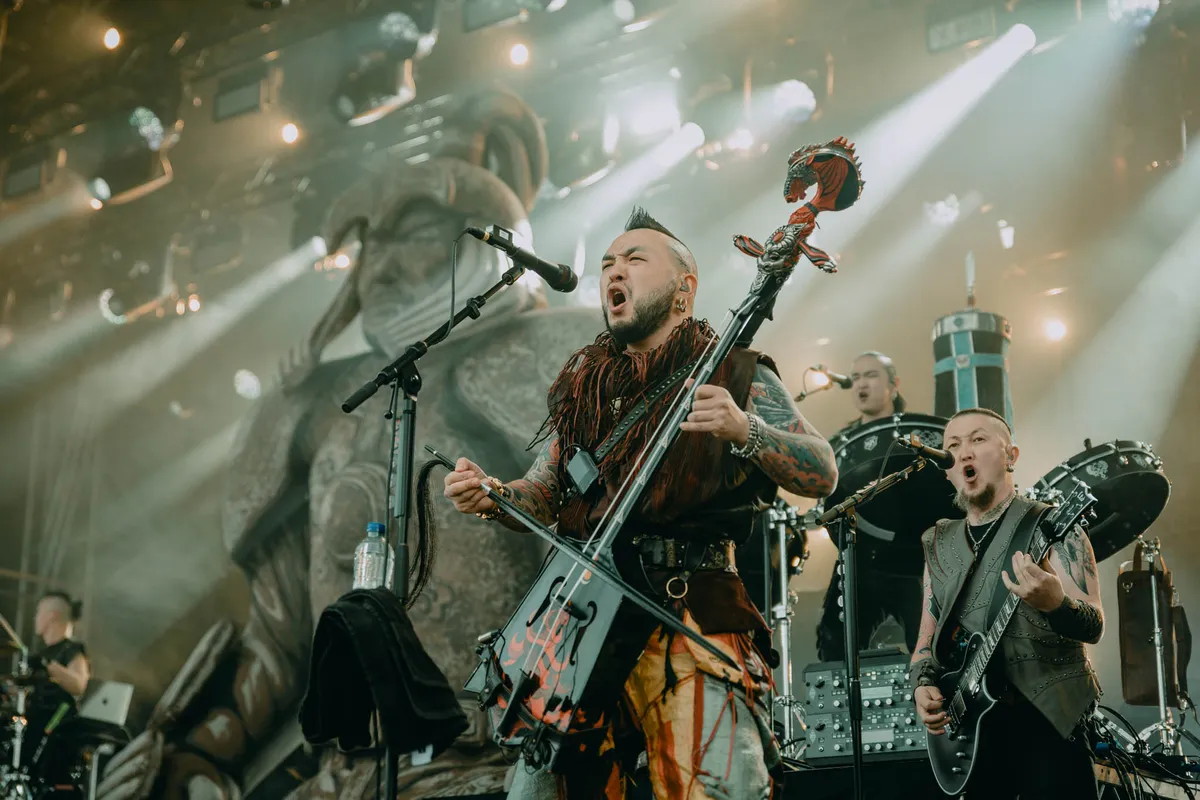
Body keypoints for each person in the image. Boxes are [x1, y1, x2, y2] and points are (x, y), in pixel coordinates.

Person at [98, 89, 603, 800]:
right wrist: (195, 756)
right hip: (345, 777)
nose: (383, 263)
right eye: (374, 241)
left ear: (482, 238)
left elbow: (597, 582)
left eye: (413, 230)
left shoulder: (561, 359)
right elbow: (278, 642)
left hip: (497, 766)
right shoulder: (315, 408)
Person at [445, 206, 839, 799]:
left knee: (718, 786)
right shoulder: (585, 389)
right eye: (607, 262)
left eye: (634, 259)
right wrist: (494, 495)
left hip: (689, 611)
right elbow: (543, 493)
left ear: (684, 289)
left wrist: (746, 429)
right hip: (582, 625)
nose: (614, 271)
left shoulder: (735, 373)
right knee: (539, 790)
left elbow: (822, 471)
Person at [910, 408, 1104, 800]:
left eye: (978, 439)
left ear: (1011, 456)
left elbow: (1094, 624)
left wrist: (1056, 603)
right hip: (975, 730)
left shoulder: (1053, 527)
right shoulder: (938, 543)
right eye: (953, 446)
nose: (964, 452)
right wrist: (921, 685)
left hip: (1051, 720)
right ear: (946, 468)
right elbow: (925, 641)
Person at [815, 351, 922, 661]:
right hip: (858, 556)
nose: (861, 383)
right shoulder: (840, 443)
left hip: (912, 559)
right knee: (834, 648)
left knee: (931, 645)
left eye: (871, 375)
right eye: (856, 377)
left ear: (894, 384)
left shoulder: (916, 436)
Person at [24, 591, 90, 766]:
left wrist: (48, 665)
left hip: (57, 730)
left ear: (52, 615)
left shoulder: (71, 649)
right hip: (35, 723)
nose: (35, 618)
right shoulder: (42, 652)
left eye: (39, 612)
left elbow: (79, 684)